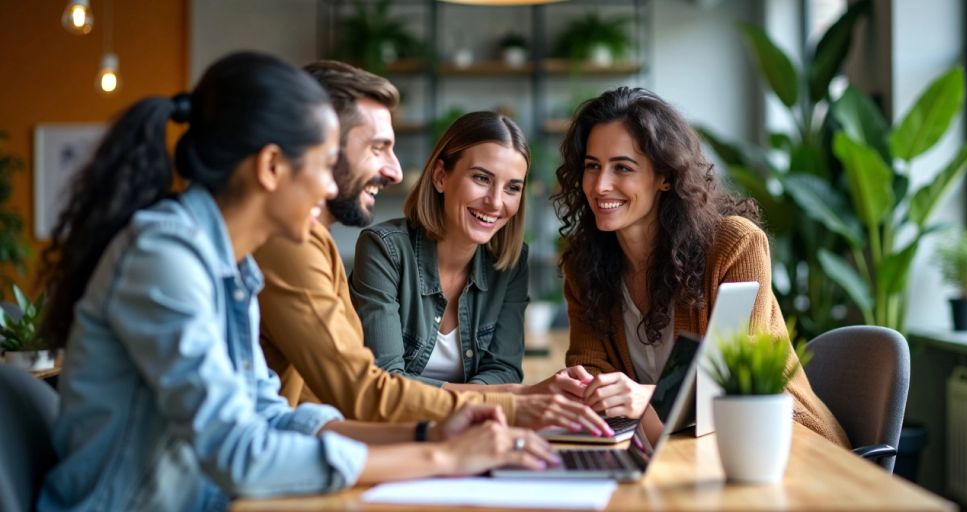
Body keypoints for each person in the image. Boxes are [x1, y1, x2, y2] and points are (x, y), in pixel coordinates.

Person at [35, 52, 555, 511]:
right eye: (325, 165)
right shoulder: (164, 259)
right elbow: (240, 452)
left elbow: (271, 416)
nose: (331, 185)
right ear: (270, 167)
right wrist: (439, 455)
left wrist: (429, 431)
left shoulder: (232, 267)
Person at [254, 61, 610, 435]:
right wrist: (511, 404)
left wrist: (492, 411)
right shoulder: (296, 241)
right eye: (378, 148)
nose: (394, 172)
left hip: (314, 440)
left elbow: (337, 408)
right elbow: (367, 391)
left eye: (513, 187)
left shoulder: (311, 241)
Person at [551, 87, 850, 447]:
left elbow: (739, 385)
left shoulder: (736, 246)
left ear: (664, 176)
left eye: (623, 168)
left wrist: (646, 397)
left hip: (781, 443)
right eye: (592, 166)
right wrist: (591, 389)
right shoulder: (585, 266)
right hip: (672, 448)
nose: (600, 185)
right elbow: (590, 369)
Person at [352, 112, 536, 391]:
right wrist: (486, 398)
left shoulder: (509, 262)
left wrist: (482, 402)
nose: (496, 202)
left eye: (513, 188)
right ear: (440, 177)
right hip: (393, 429)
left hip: (472, 427)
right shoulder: (384, 249)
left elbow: (504, 370)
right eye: (482, 178)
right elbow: (385, 382)